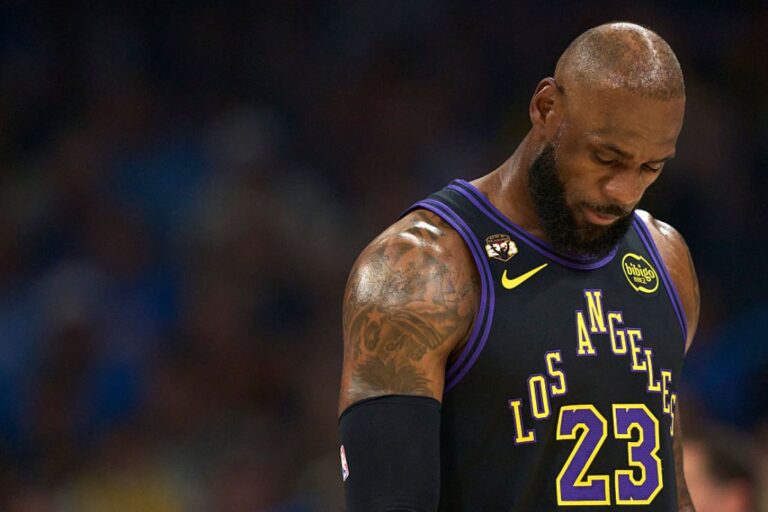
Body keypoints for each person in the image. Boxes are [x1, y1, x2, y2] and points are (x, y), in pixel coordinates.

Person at [339, 22, 699, 511]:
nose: (624, 192)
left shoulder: (667, 261)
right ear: (546, 107)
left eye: (650, 168)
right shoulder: (423, 268)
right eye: (606, 157)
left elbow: (671, 488)